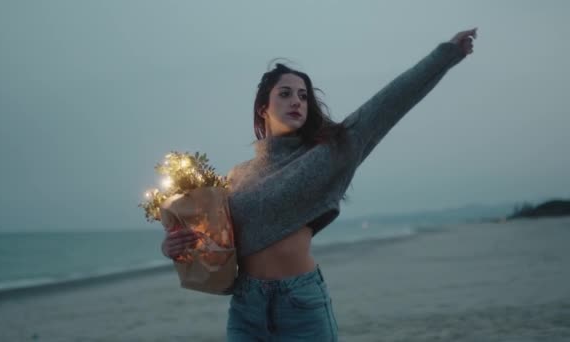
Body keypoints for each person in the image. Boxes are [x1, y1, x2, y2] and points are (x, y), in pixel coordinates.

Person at [163, 28, 478, 341]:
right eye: (285, 93)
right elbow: (217, 248)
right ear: (263, 108)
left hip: (300, 305)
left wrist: (446, 55)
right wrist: (177, 248)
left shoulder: (328, 155)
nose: (297, 101)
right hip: (247, 309)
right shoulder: (237, 176)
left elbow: (388, 103)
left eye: (303, 95)